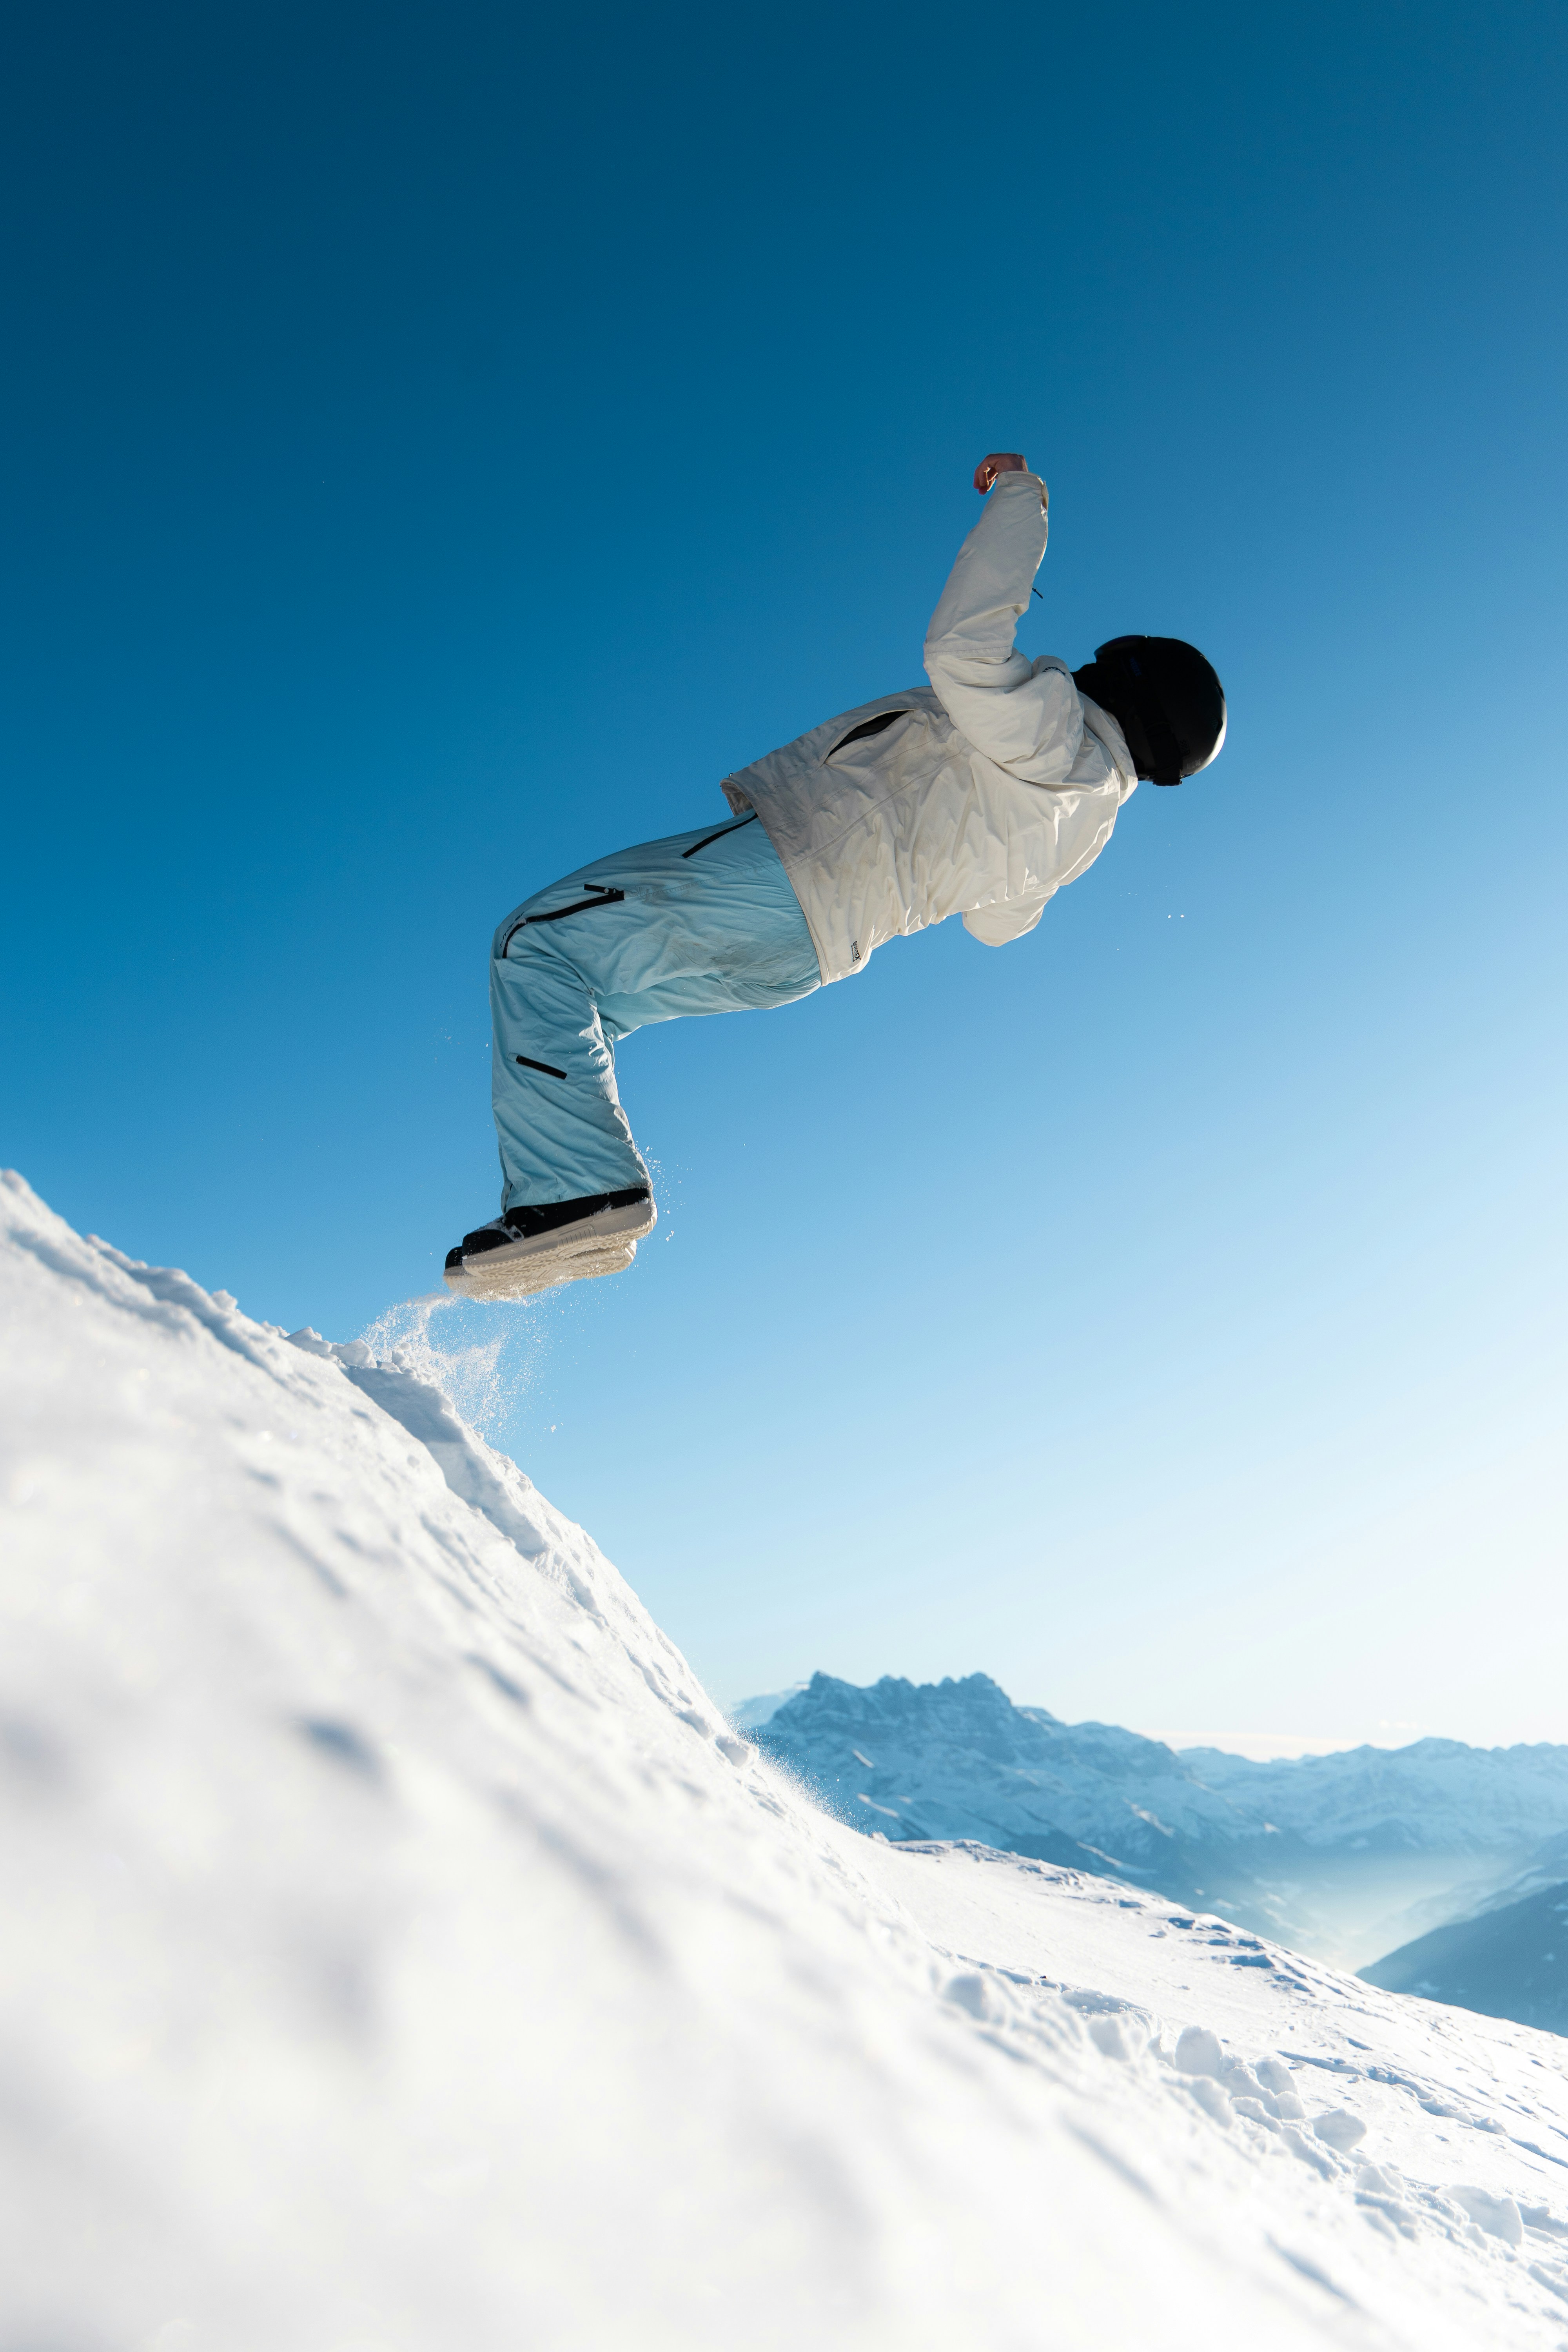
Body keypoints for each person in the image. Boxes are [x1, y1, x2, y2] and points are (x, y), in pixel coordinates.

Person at [445, 452, 1227, 1299]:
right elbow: (997, 923)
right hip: (815, 955)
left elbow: (961, 648)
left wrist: (1020, 494)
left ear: (1125, 676)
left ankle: (582, 1191)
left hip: (788, 872)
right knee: (577, 996)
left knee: (535, 943)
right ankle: (573, 1217)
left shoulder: (1051, 728)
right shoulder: (1083, 826)